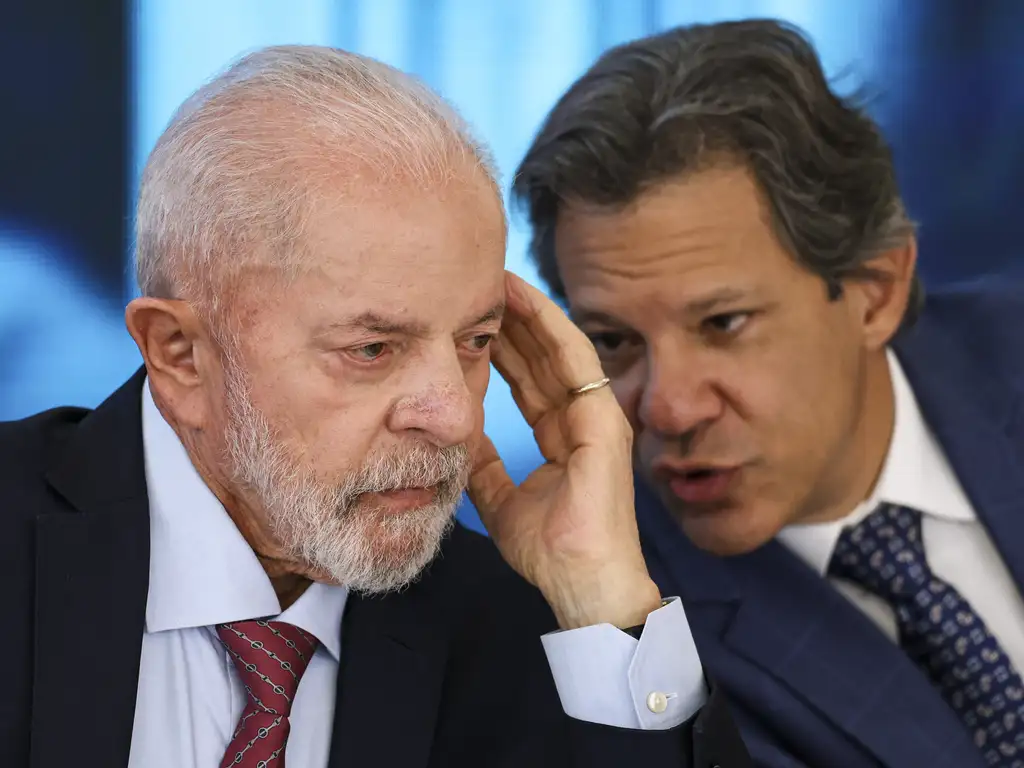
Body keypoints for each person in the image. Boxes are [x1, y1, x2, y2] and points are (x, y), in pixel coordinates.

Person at [0, 46, 752, 768]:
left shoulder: (527, 626)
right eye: (372, 350)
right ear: (179, 353)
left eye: (476, 339)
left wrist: (605, 601)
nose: (454, 417)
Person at [513, 18, 1024, 768]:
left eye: (723, 322)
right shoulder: (603, 611)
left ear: (875, 293)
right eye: (615, 340)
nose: (669, 410)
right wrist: (612, 618)